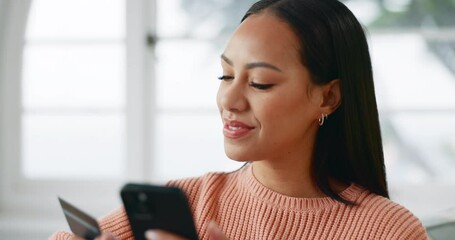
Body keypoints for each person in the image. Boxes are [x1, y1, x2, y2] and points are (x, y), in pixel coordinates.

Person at [51, 0, 429, 239]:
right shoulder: (190, 203)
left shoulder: (387, 231)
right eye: (226, 76)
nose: (229, 99)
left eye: (260, 83)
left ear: (327, 97)